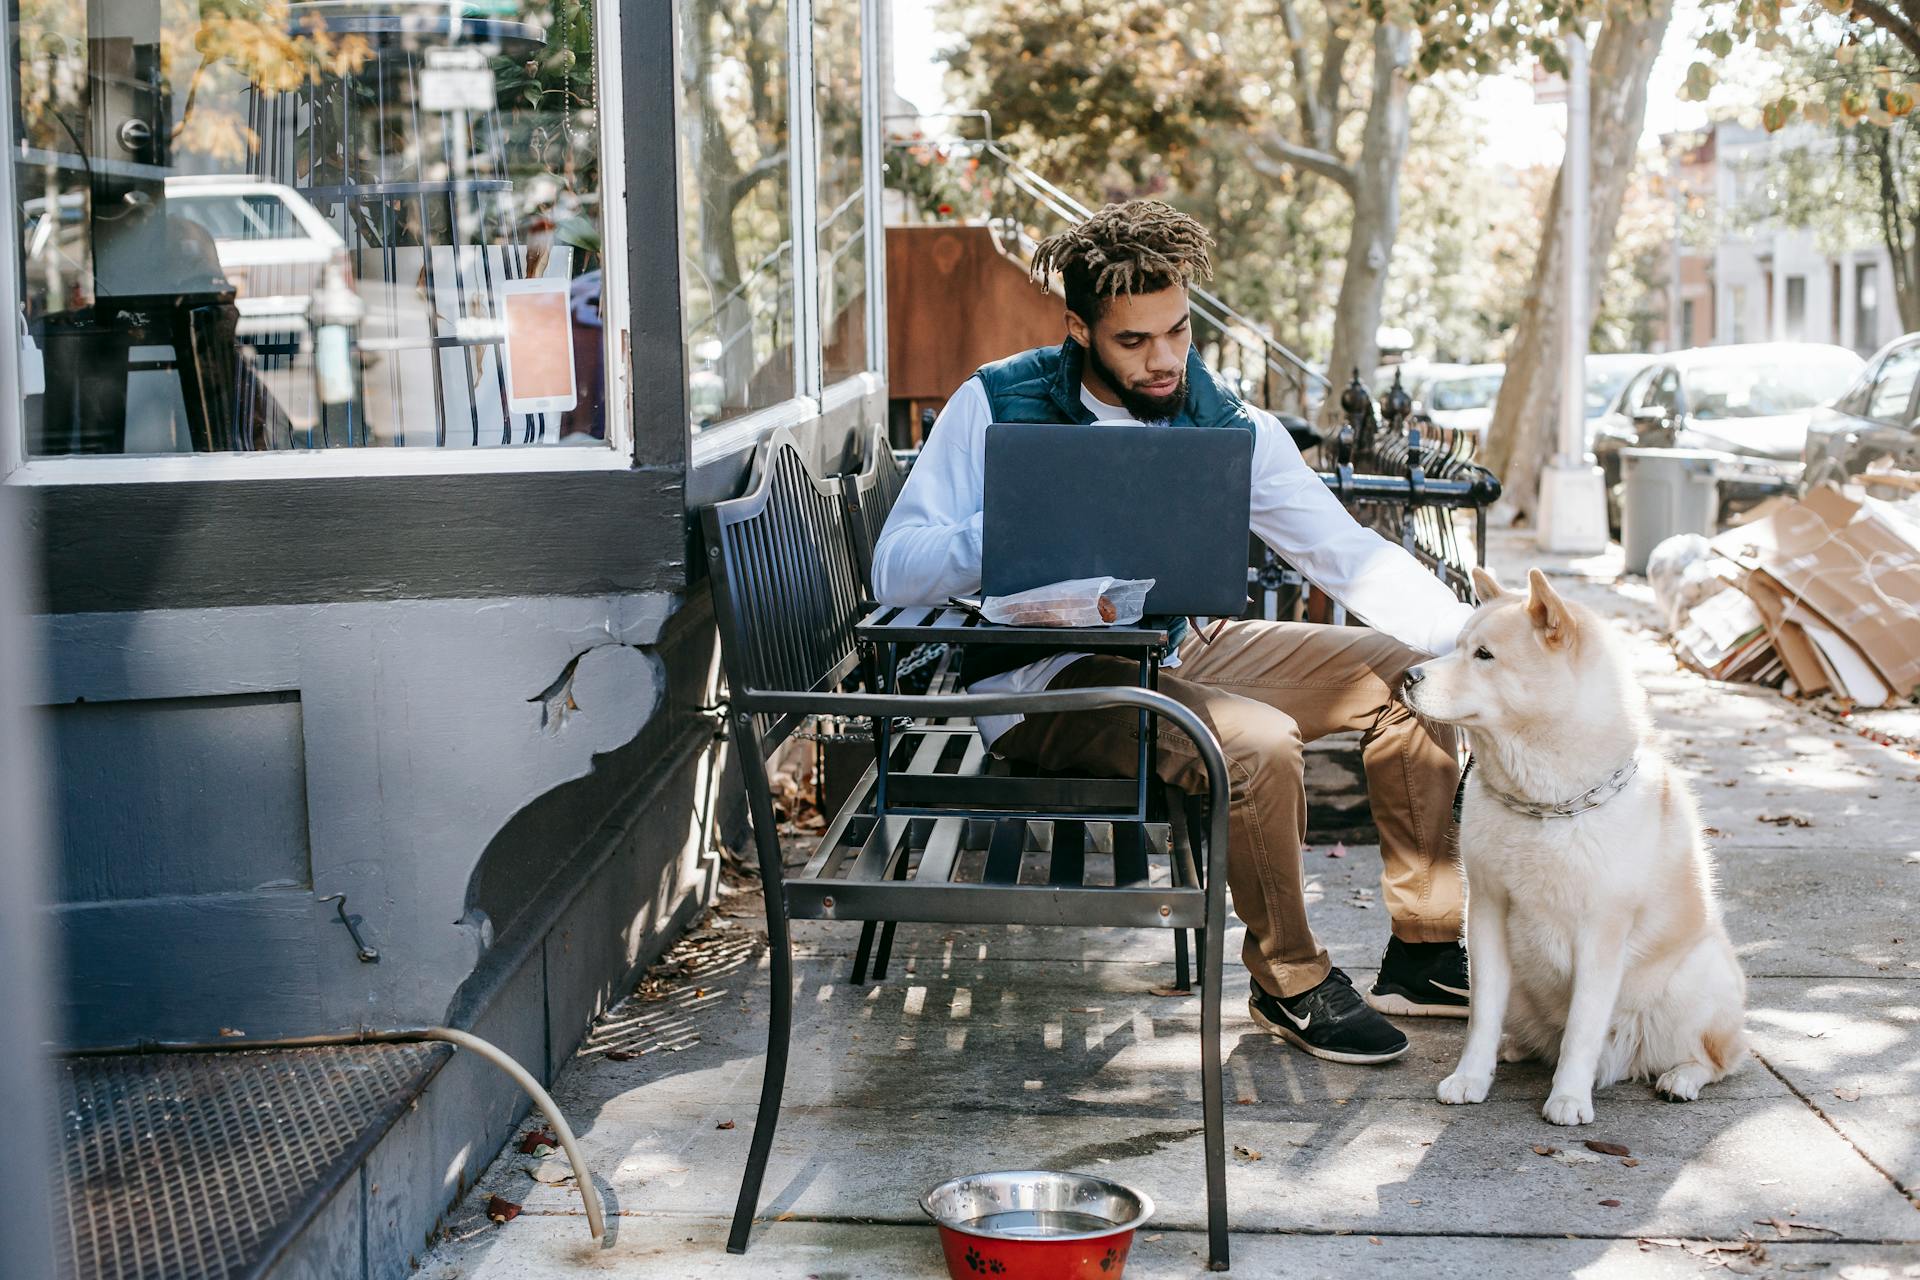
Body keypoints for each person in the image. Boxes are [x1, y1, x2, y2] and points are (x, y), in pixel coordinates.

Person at [871, 200, 1474, 1065]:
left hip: (1185, 645)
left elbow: (1342, 551)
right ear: (1080, 329)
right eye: (1133, 341)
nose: (1163, 361)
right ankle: (1292, 983)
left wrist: (1475, 634)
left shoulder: (1219, 417)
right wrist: (1024, 524)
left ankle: (1422, 955)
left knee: (1418, 679)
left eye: (1178, 332)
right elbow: (897, 567)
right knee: (1256, 743)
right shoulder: (996, 401)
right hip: (1047, 679)